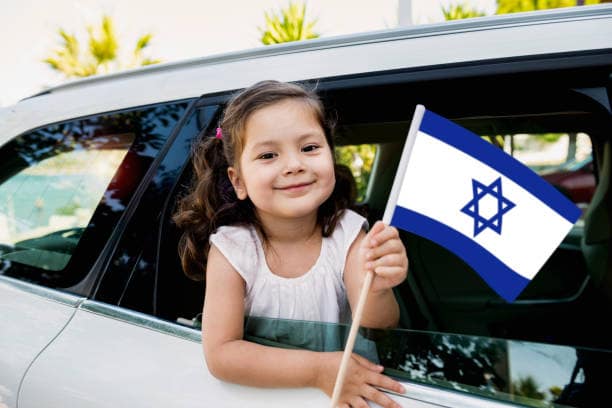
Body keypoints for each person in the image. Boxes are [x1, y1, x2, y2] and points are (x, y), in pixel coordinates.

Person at [173, 80, 408, 408]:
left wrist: (381, 288)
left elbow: (378, 326)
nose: (295, 165)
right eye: (269, 155)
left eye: (309, 148)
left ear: (330, 154)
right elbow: (222, 354)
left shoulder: (349, 234)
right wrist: (317, 371)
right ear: (238, 181)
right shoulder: (233, 249)